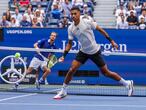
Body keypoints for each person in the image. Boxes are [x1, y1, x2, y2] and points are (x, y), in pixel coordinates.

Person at [53, 6, 134, 99]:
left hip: (95, 51)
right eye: (72, 14)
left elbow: (100, 30)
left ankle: (127, 83)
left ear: (79, 14)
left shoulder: (87, 21)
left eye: (75, 13)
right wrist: (64, 55)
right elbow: (69, 43)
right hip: (83, 51)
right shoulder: (71, 28)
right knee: (72, 69)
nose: (73, 15)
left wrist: (111, 41)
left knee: (106, 73)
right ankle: (63, 90)